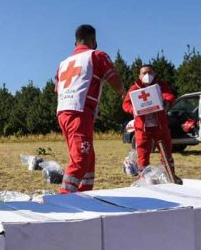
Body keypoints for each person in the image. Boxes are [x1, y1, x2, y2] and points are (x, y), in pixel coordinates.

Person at [54, 24, 125, 193]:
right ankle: (63, 198)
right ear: (93, 39)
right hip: (80, 111)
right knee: (81, 159)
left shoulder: (63, 63)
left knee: (88, 157)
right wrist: (123, 92)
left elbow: (57, 89)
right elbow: (113, 79)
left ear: (75, 43)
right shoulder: (97, 55)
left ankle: (84, 194)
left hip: (63, 111)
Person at [122, 64, 180, 181]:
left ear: (154, 74)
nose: (147, 75)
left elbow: (169, 96)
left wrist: (166, 102)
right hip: (142, 129)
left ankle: (170, 176)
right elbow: (125, 104)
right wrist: (133, 109)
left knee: (166, 154)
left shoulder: (160, 86)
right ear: (139, 75)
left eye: (150, 72)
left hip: (160, 127)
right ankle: (143, 179)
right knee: (142, 156)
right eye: (144, 73)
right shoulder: (134, 89)